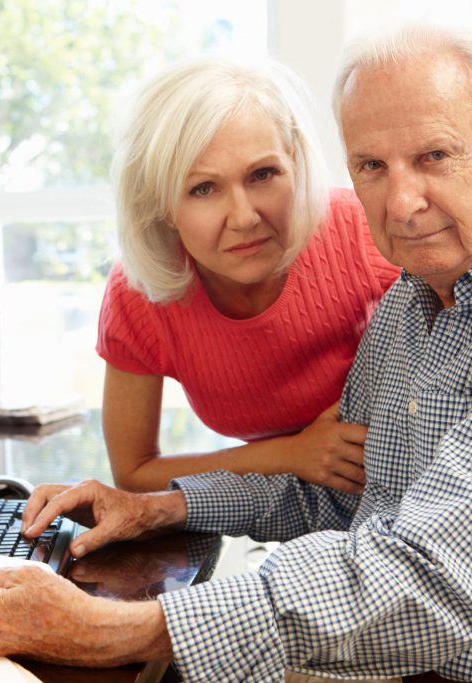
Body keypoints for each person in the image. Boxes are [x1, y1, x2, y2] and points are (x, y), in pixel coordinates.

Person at [0, 23, 472, 682]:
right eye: (372, 166)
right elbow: (338, 495)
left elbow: (430, 582)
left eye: (434, 155)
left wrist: (122, 631)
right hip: (385, 653)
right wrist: (159, 508)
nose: (400, 202)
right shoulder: (412, 300)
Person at [98, 57, 399, 493]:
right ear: (161, 203)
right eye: (203, 188)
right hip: (280, 508)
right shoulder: (140, 293)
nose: (244, 217)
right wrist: (289, 455)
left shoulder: (366, 232)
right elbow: (134, 473)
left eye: (263, 174)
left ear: (294, 161)